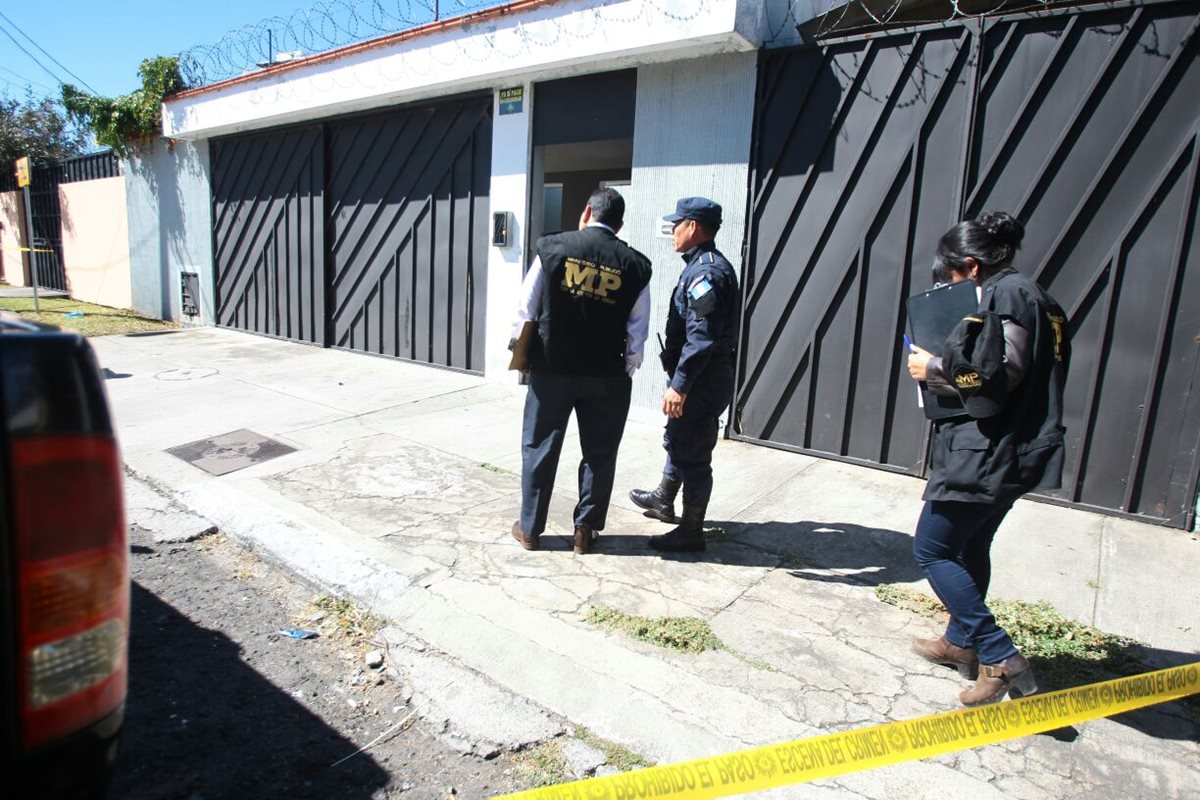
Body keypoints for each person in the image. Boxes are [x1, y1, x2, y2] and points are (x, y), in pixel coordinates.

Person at [905, 211, 1069, 706]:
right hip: (1012, 448)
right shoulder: (1038, 297)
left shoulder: (1007, 295)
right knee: (971, 545)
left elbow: (1000, 375)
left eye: (953, 276)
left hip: (988, 450)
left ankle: (998, 655)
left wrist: (933, 367)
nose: (952, 287)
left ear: (971, 267)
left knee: (932, 550)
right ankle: (960, 642)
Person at [511, 187, 652, 554]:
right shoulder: (636, 265)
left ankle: (530, 529)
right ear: (619, 225)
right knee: (600, 452)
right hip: (606, 375)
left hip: (552, 369)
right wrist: (626, 368)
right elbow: (638, 332)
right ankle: (584, 532)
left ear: (587, 213)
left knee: (540, 446)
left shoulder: (551, 248)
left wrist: (523, 356)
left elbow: (526, 310)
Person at [629, 197, 739, 553]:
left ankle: (691, 532)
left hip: (702, 379)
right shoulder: (699, 265)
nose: (672, 231)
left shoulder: (707, 273)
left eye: (676, 224)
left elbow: (702, 337)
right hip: (700, 376)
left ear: (692, 226)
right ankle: (664, 498)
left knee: (692, 452)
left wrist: (680, 385)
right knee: (680, 437)